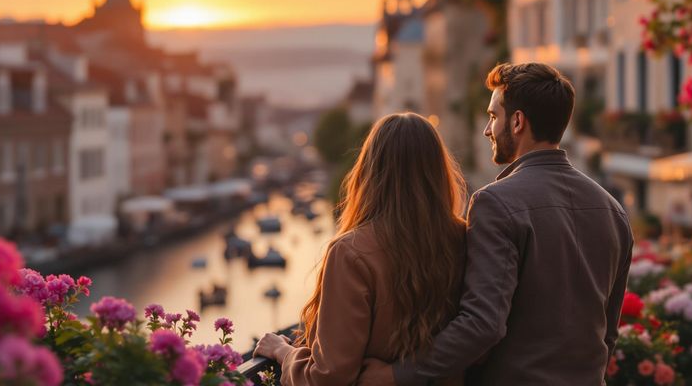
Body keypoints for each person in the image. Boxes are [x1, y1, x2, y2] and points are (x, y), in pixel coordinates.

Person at [366, 62, 633, 385]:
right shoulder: (612, 209)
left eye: (493, 116)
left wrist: (397, 375)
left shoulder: (496, 203)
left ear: (518, 121)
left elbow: (483, 325)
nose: (487, 129)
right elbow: (607, 334)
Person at [253, 113, 469, 385]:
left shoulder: (350, 253)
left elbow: (328, 377)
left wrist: (284, 352)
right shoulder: (465, 238)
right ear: (439, 172)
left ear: (369, 173)